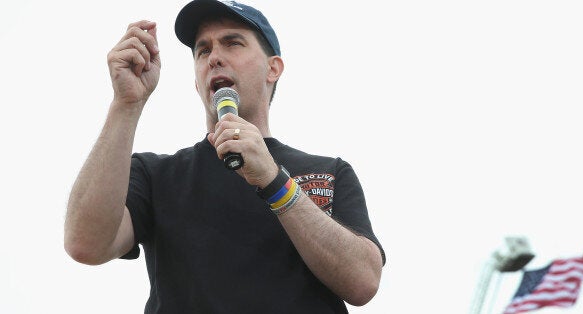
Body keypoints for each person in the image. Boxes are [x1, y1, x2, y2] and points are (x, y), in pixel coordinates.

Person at [64, 0, 385, 313]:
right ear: (196, 80)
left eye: (233, 43)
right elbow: (85, 244)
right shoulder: (156, 174)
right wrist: (126, 104)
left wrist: (274, 182)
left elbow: (363, 283)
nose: (214, 57)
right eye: (203, 50)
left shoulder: (328, 172)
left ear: (273, 68)